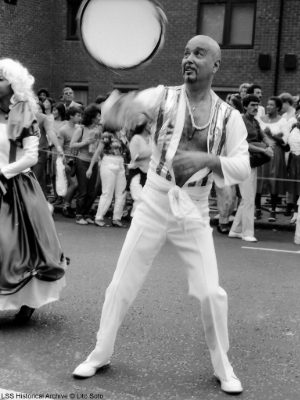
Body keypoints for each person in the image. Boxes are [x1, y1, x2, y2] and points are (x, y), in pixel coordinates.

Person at [73, 35, 250, 394]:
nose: (189, 58)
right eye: (186, 52)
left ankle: (223, 365)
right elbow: (112, 114)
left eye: (199, 53)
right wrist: (118, 107)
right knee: (122, 282)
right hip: (154, 198)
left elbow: (243, 165)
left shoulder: (230, 117)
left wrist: (208, 160)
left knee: (210, 292)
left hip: (195, 207)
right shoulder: (162, 96)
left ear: (215, 65)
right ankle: (100, 352)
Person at [0, 58, 67, 322]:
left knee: (17, 247)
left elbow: (31, 157)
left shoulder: (25, 113)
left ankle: (27, 301)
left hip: (16, 186)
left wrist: (3, 173)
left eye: (1, 78)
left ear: (14, 84)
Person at [229, 95, 273, 242]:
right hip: (241, 161)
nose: (256, 107)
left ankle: (235, 230)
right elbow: (242, 144)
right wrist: (263, 150)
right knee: (248, 199)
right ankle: (247, 233)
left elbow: (263, 135)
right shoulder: (240, 120)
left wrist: (268, 144)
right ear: (245, 106)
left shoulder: (254, 121)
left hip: (251, 162)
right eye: (253, 105)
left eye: (257, 105)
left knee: (247, 198)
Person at [256, 97, 289, 222]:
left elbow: (285, 141)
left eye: (271, 105)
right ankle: (258, 209)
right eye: (268, 104)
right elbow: (256, 134)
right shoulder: (260, 119)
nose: (268, 107)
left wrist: (272, 135)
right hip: (261, 151)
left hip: (276, 153)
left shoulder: (283, 121)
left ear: (277, 108)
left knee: (273, 179)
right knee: (259, 179)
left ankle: (273, 210)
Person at [87, 127, 127, 227]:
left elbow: (126, 149)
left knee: (121, 192)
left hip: (121, 162)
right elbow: (97, 151)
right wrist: (90, 167)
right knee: (107, 192)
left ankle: (116, 218)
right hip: (109, 162)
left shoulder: (122, 134)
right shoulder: (107, 135)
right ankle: (99, 217)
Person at [70, 104, 101, 225]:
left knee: (92, 191)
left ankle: (86, 214)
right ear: (92, 117)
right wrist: (85, 142)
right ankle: (79, 215)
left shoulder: (98, 130)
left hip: (93, 161)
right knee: (83, 190)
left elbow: (98, 147)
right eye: (98, 115)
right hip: (82, 161)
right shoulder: (81, 129)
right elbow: (72, 145)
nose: (100, 118)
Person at [127, 112, 152, 216]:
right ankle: (135, 220)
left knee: (147, 201)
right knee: (139, 199)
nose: (151, 126)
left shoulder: (152, 139)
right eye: (150, 124)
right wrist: (151, 153)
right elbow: (135, 157)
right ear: (144, 126)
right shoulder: (136, 138)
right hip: (136, 173)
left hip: (149, 175)